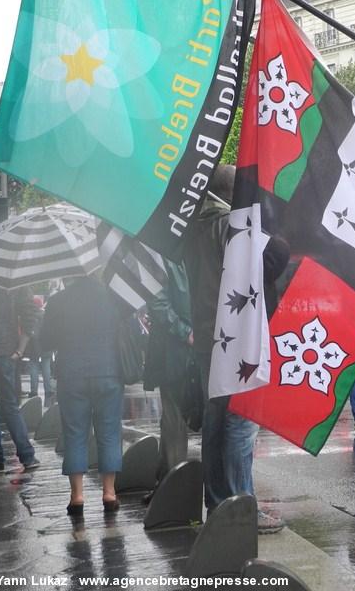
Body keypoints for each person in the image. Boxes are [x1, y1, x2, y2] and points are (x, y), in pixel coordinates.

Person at [182, 164, 289, 534]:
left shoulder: (194, 227)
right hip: (237, 335)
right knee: (241, 422)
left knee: (215, 423)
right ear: (233, 194)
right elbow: (278, 254)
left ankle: (217, 503)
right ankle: (242, 506)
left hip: (207, 334)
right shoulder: (231, 225)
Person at [39, 274, 128, 514]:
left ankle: (77, 496)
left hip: (71, 375)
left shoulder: (58, 301)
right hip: (108, 372)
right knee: (109, 432)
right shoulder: (113, 295)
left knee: (75, 433)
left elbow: (45, 341)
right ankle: (109, 493)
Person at [142, 259, 194, 492]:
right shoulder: (171, 258)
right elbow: (158, 301)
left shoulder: (166, 256)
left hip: (181, 348)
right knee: (175, 418)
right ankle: (173, 487)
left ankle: (166, 480)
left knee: (173, 418)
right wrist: (186, 332)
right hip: (177, 350)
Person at [0, 286, 40, 475]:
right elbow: (30, 314)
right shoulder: (13, 278)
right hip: (8, 352)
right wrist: (20, 348)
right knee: (10, 405)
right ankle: (27, 456)